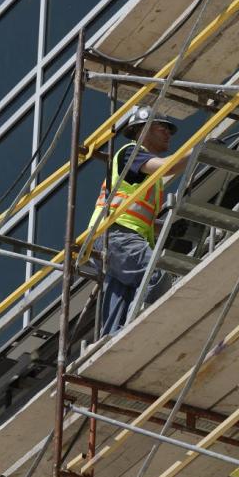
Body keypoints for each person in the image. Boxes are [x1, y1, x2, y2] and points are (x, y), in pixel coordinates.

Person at [88, 105, 190, 337]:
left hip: (114, 239)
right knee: (155, 275)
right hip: (116, 237)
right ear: (141, 130)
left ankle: (111, 340)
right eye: (162, 127)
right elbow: (169, 166)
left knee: (121, 303)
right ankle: (133, 334)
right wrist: (199, 148)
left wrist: (166, 227)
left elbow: (138, 217)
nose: (168, 134)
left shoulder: (146, 178)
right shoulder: (131, 152)